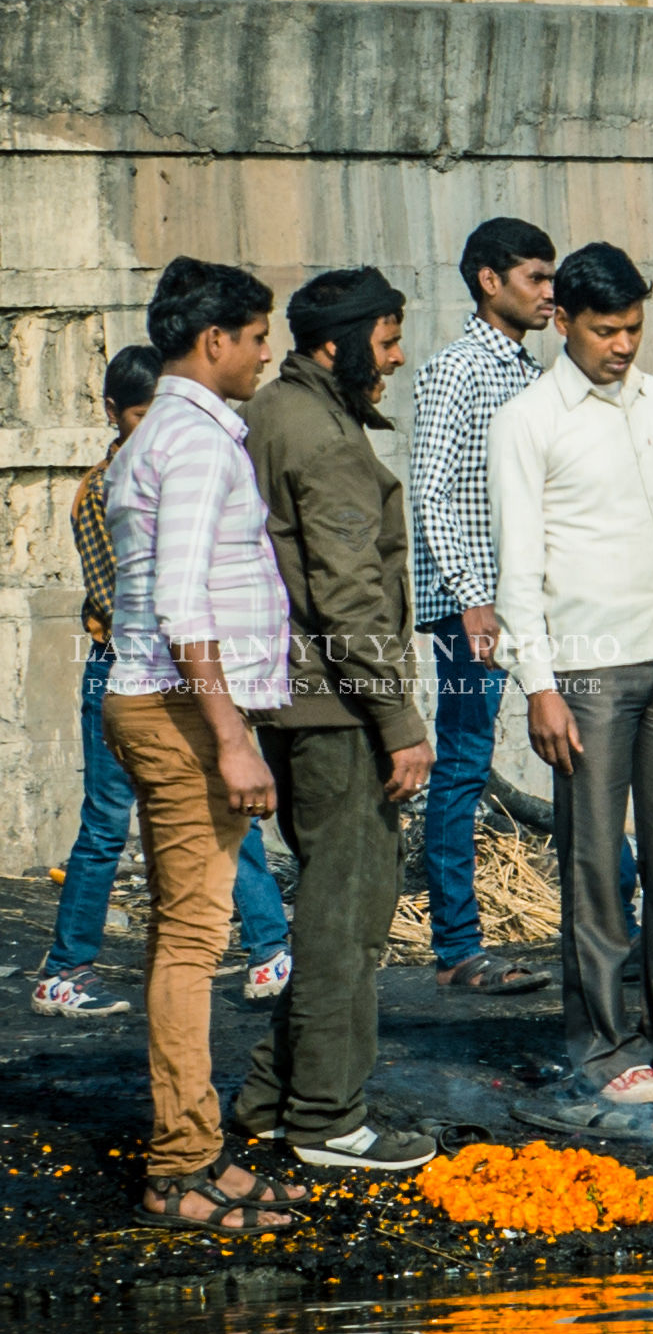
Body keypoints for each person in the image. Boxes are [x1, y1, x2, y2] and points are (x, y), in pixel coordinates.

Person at [489, 242, 653, 1135]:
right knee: (597, 866)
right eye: (607, 330)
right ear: (562, 321)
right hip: (588, 672)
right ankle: (604, 1047)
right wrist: (539, 684)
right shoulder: (527, 420)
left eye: (635, 327)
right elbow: (517, 565)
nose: (623, 346)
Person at [105, 260, 314, 1226]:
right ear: (214, 341)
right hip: (182, 708)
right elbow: (185, 604)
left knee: (184, 932)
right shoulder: (190, 443)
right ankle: (177, 1169)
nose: (267, 352)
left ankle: (194, 1150)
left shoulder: (169, 434)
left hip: (168, 700)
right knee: (195, 938)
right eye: (257, 335)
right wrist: (232, 738)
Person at [233, 267, 438, 1172]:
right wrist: (400, 720)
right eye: (386, 343)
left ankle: (271, 1098)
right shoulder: (320, 435)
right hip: (338, 707)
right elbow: (351, 596)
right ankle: (328, 1119)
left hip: (300, 700)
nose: (394, 360)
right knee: (346, 918)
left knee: (327, 903)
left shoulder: (282, 412)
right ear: (336, 344)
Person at [32, 345, 294, 1019]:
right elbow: (133, 595)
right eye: (139, 417)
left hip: (185, 669)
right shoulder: (110, 485)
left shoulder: (180, 462)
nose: (150, 431)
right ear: (115, 413)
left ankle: (270, 948)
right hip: (137, 670)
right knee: (104, 827)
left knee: (233, 814)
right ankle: (65, 970)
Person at [407, 215, 557, 997]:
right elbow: (431, 494)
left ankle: (621, 922)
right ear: (489, 280)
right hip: (474, 610)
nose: (549, 292)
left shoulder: (533, 375)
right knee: (462, 764)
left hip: (526, 602)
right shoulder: (454, 370)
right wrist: (472, 601)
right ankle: (458, 949)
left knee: (579, 743)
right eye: (535, 277)